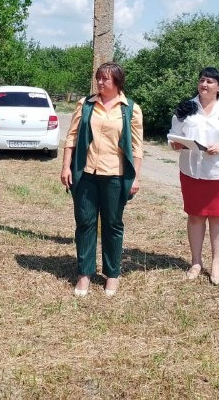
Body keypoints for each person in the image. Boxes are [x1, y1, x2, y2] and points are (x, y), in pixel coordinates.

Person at [60, 62, 143, 297]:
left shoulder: (131, 109)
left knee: (113, 225)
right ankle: (84, 274)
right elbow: (71, 137)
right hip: (86, 174)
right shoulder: (85, 105)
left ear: (117, 82)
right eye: (98, 78)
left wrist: (135, 177)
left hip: (115, 176)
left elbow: (137, 147)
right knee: (85, 223)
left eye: (105, 79)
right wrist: (66, 166)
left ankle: (112, 274)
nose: (99, 82)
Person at [168, 66, 219, 285]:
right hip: (192, 172)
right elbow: (173, 133)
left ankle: (216, 263)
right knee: (195, 216)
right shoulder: (186, 107)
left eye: (210, 81)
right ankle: (196, 262)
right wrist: (175, 143)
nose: (204, 84)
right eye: (202, 80)